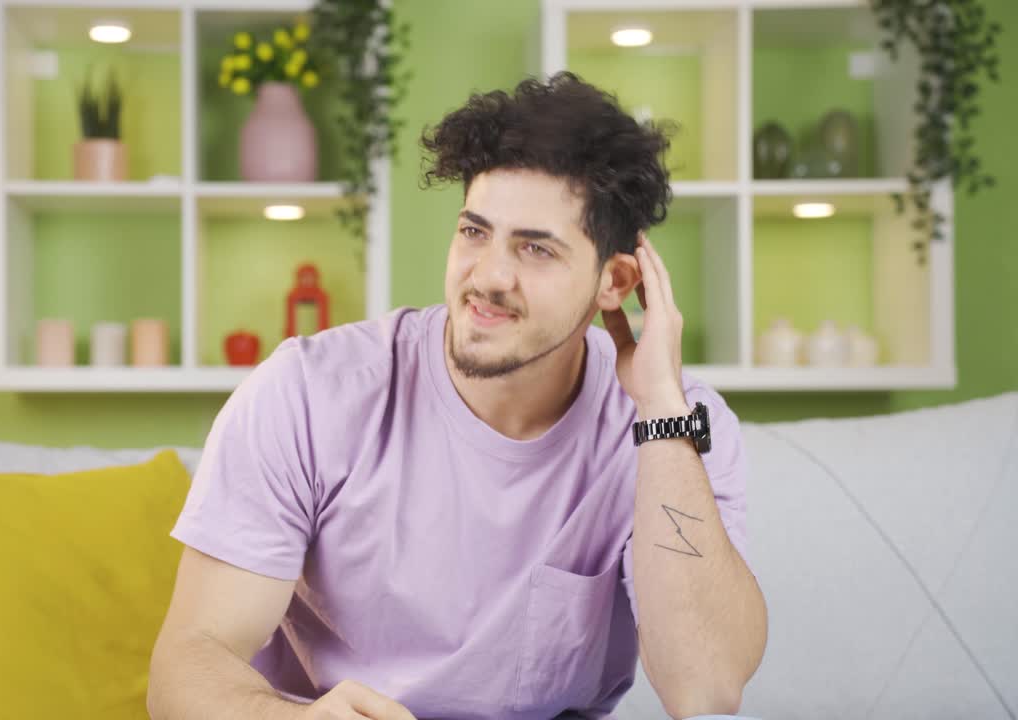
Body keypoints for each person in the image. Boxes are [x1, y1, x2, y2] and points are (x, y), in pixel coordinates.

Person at [147, 71, 767, 720]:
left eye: (535, 249)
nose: (488, 276)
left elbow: (707, 687)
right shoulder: (309, 393)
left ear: (615, 282)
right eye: (475, 232)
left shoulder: (675, 427)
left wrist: (661, 410)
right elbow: (188, 663)